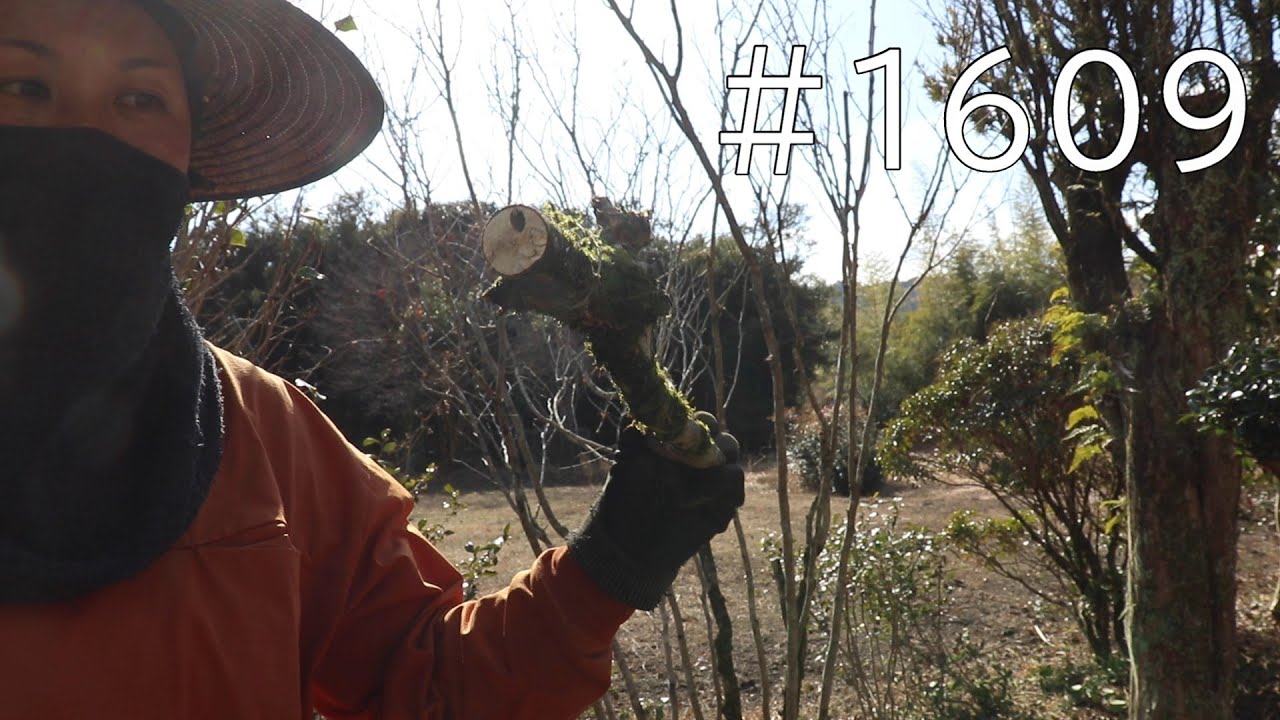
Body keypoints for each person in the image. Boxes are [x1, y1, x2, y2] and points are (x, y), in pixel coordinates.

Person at [0, 1, 746, 718]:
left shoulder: (263, 430)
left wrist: (608, 566)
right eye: (25, 86)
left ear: (190, 154)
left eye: (139, 96)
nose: (87, 135)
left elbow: (418, 684)